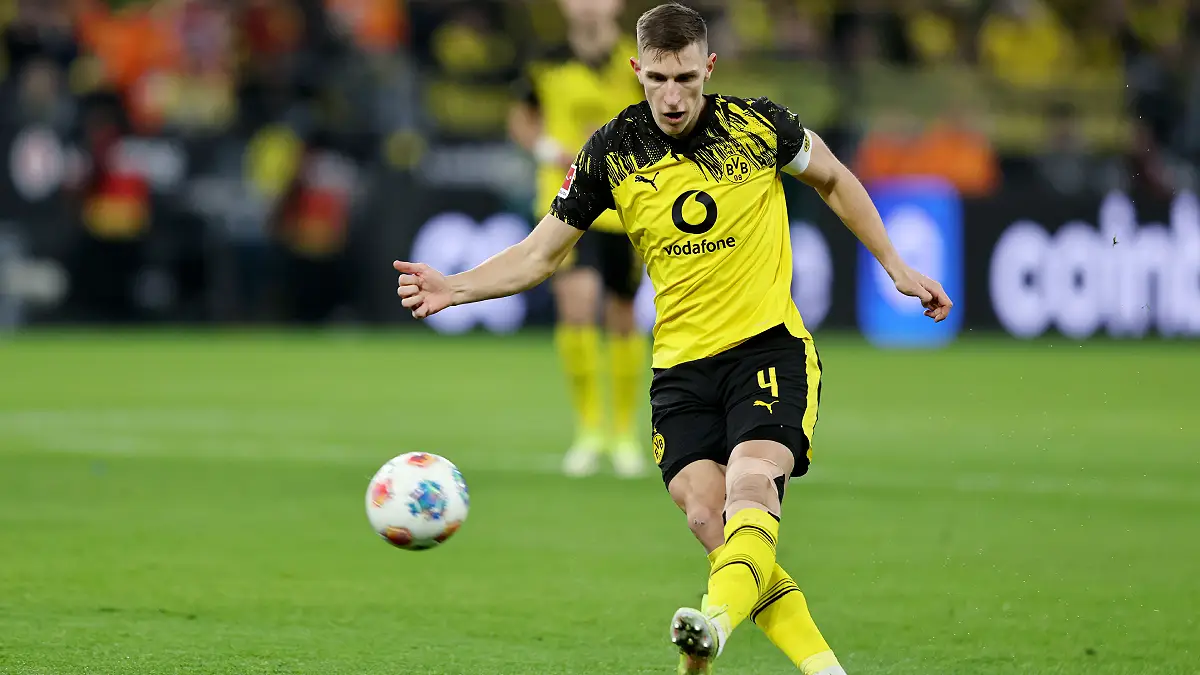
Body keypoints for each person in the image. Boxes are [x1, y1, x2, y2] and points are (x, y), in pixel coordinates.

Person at [394, 3, 953, 673]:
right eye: (657, 78)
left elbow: (833, 176)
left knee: (752, 479)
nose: (672, 95)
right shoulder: (609, 151)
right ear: (637, 70)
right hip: (681, 370)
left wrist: (894, 264)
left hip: (766, 348)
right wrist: (454, 286)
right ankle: (815, 666)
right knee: (704, 517)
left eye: (685, 77)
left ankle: (711, 624)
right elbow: (541, 254)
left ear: (708, 68)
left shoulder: (759, 125)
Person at [508, 0, 649, 478]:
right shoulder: (545, 62)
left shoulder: (638, 61)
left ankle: (625, 433)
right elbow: (522, 119)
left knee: (622, 316)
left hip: (627, 204)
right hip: (566, 204)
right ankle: (588, 431)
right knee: (577, 304)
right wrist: (550, 149)